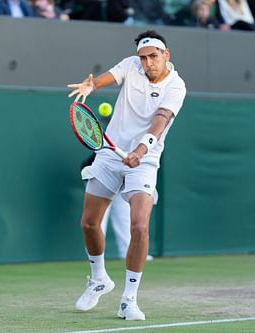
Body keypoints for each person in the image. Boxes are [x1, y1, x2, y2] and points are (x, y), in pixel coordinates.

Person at [67, 30, 186, 320]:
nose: (147, 63)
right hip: (110, 154)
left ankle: (128, 300)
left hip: (146, 160)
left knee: (140, 228)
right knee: (89, 223)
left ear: (166, 55)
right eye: (143, 58)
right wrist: (91, 86)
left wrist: (141, 151)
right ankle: (98, 279)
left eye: (153, 57)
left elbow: (160, 121)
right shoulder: (131, 65)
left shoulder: (176, 86)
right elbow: (107, 77)